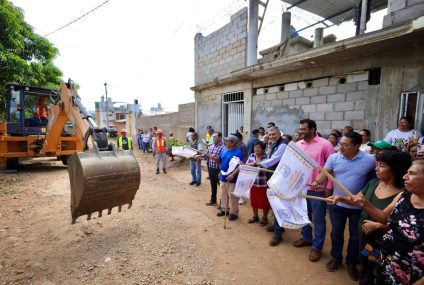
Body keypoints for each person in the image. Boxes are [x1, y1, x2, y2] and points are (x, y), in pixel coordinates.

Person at [331, 152, 412, 285]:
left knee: (379, 268)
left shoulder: (403, 193)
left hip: (382, 239)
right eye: (377, 164)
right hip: (365, 233)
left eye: (382, 165)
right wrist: (340, 198)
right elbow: (356, 199)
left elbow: (383, 218)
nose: (376, 168)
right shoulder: (373, 183)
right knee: (366, 263)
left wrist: (365, 204)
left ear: (395, 168)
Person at [311, 132, 375, 280]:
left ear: (357, 146)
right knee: (336, 232)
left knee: (355, 236)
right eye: (341, 144)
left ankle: (351, 262)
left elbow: (376, 178)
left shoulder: (370, 160)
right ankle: (336, 258)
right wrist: (317, 182)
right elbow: (325, 173)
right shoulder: (334, 157)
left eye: (345, 145)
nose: (341, 147)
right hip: (337, 202)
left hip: (357, 206)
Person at [350, 159, 424, 285]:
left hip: (410, 276)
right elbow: (385, 216)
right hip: (385, 264)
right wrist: (366, 204)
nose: (405, 177)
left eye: (412, 173)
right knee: (367, 267)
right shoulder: (403, 196)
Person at [291, 119, 335, 262]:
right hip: (301, 188)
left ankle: (317, 247)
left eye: (304, 129)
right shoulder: (298, 145)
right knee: (304, 215)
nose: (301, 132)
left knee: (318, 219)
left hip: (318, 189)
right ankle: (306, 238)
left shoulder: (325, 144)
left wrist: (329, 187)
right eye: (300, 129)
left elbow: (332, 168)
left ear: (313, 129)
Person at [258, 126, 287, 246]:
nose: (271, 137)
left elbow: (274, 160)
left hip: (280, 179)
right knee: (274, 204)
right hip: (272, 177)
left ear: (279, 134)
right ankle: (277, 226)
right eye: (269, 135)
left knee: (278, 205)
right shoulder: (273, 144)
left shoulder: (283, 145)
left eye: (274, 135)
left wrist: (258, 163)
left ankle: (278, 234)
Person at [216, 135, 245, 221]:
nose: (226, 142)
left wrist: (233, 174)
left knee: (232, 196)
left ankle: (234, 212)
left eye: (228, 141)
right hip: (223, 177)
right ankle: (224, 209)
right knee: (223, 194)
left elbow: (240, 166)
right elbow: (220, 161)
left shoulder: (238, 153)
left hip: (232, 179)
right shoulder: (224, 149)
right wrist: (219, 170)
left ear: (233, 143)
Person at [245, 141, 270, 225]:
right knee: (254, 201)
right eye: (255, 147)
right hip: (253, 182)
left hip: (264, 183)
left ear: (263, 149)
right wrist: (247, 165)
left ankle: (264, 218)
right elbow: (247, 164)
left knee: (265, 202)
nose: (256, 149)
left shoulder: (267, 158)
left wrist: (255, 165)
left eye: (259, 147)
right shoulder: (251, 155)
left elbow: (267, 168)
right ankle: (255, 216)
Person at [197, 132, 225, 206]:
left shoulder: (223, 148)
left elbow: (222, 160)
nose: (213, 138)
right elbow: (206, 155)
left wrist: (216, 158)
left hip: (219, 170)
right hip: (211, 168)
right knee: (213, 185)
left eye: (215, 137)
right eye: (213, 137)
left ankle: (223, 203)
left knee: (222, 187)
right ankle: (213, 200)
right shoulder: (211, 146)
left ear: (220, 138)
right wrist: (200, 156)